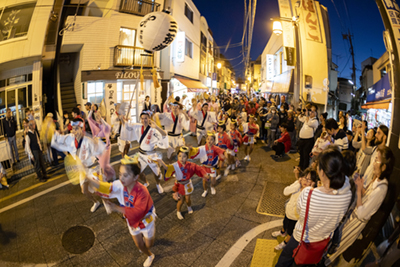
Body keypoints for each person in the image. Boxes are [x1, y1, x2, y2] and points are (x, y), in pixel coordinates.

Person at [276, 148, 352, 267]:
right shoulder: (347, 193)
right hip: (321, 241)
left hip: (301, 238)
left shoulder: (309, 194)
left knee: (285, 258)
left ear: (321, 172)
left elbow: (301, 214)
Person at [325, 147, 395, 265]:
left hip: (356, 223)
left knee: (335, 250)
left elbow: (362, 212)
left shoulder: (382, 189)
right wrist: (360, 185)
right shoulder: (376, 179)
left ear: (384, 166)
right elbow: (365, 197)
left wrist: (358, 190)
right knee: (333, 244)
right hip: (352, 217)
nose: (373, 162)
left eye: (377, 160)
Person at [84, 155, 157, 267]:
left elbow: (138, 212)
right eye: (120, 174)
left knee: (148, 244)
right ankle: (150, 255)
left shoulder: (143, 191)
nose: (121, 178)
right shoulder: (120, 184)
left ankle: (148, 249)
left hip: (146, 220)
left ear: (136, 177)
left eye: (126, 175)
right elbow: (105, 187)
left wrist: (116, 208)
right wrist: (89, 179)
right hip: (132, 221)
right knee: (139, 245)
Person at [51, 118, 106, 211]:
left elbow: (100, 153)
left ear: (82, 128)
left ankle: (106, 202)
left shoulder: (88, 141)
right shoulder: (70, 138)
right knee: (84, 191)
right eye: (73, 128)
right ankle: (96, 202)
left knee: (99, 189)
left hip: (92, 168)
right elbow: (58, 140)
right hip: (82, 170)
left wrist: (103, 169)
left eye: (77, 128)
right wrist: (52, 132)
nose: (74, 131)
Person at [120, 111, 168, 194]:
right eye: (142, 118)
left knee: (156, 173)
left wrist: (156, 127)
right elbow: (128, 126)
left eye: (146, 118)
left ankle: (158, 184)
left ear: (149, 118)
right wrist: (122, 120)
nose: (144, 120)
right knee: (138, 171)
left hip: (151, 154)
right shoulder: (138, 127)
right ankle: (146, 182)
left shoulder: (153, 129)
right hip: (141, 154)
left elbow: (164, 134)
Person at [158, 146, 211, 220]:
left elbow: (198, 168)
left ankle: (189, 207)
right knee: (181, 200)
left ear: (187, 157)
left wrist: (205, 174)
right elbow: (168, 168)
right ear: (177, 156)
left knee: (188, 199)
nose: (181, 158)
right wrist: (161, 162)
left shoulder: (191, 165)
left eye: (184, 156)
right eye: (179, 156)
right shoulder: (175, 165)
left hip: (188, 184)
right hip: (179, 185)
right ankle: (178, 211)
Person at [272, 168, 318, 251]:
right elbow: (285, 192)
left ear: (313, 182)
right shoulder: (297, 184)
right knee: (285, 223)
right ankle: (282, 232)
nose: (306, 181)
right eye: (304, 178)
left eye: (309, 180)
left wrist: (309, 189)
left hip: (296, 218)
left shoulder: (311, 192)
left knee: (291, 231)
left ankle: (285, 243)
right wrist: (297, 184)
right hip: (288, 211)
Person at [188, 132, 225, 197]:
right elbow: (195, 150)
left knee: (213, 180)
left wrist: (224, 157)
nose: (209, 141)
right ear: (206, 140)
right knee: (204, 181)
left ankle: (212, 187)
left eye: (211, 139)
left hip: (212, 167)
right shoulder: (202, 148)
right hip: (204, 167)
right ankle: (205, 190)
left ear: (214, 141)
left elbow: (222, 151)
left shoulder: (216, 148)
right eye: (208, 139)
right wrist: (191, 149)